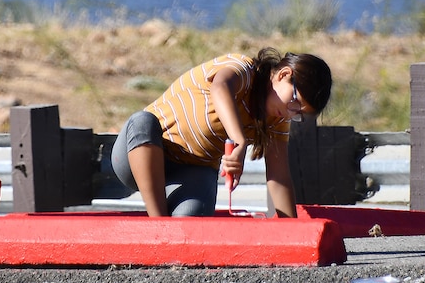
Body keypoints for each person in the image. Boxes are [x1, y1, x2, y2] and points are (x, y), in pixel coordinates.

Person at [111, 48, 332, 218]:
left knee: (192, 222)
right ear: (284, 74)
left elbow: (279, 177)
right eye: (295, 103)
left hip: (190, 171)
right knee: (142, 121)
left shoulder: (277, 118)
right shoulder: (245, 69)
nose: (289, 113)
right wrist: (239, 140)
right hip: (138, 156)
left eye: (298, 113)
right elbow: (221, 86)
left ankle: (167, 232)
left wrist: (292, 234)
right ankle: (157, 225)